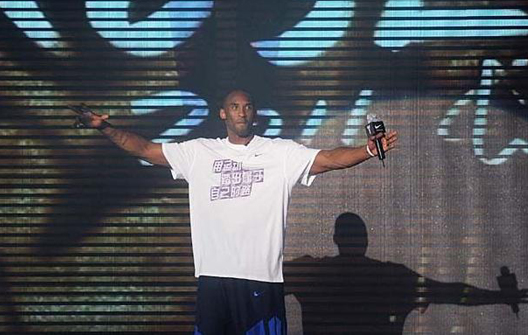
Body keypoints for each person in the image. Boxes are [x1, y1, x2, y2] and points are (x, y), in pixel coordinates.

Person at [70, 89, 398, 334]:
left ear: (254, 113)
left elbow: (327, 158)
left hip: (260, 278)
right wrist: (105, 128)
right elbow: (145, 149)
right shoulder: (199, 152)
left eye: (247, 106)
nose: (241, 112)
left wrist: (367, 149)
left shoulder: (279, 152)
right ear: (223, 114)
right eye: (234, 107)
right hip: (214, 279)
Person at [284, 212, 528, 334]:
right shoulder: (392, 277)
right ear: (366, 240)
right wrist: (501, 297)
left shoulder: (311, 273)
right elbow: (451, 292)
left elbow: (261, 282)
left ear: (336, 239)